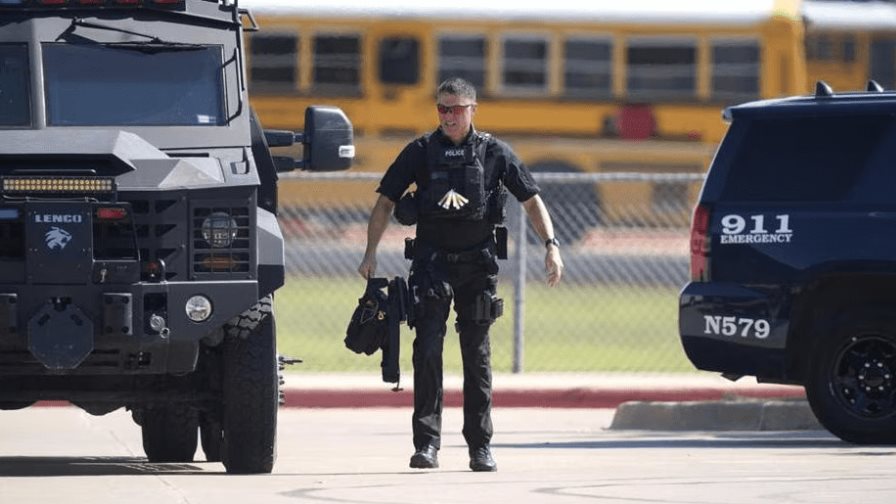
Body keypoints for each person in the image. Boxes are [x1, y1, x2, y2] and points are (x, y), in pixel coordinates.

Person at [357, 77, 564, 472]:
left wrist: (551, 246)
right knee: (428, 351)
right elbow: (385, 202)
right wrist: (371, 250)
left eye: (456, 108)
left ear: (472, 109)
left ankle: (480, 447)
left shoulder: (494, 152)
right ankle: (427, 444)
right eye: (442, 109)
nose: (449, 116)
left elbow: (531, 199)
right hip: (431, 263)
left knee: (477, 356)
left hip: (477, 265)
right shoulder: (420, 151)